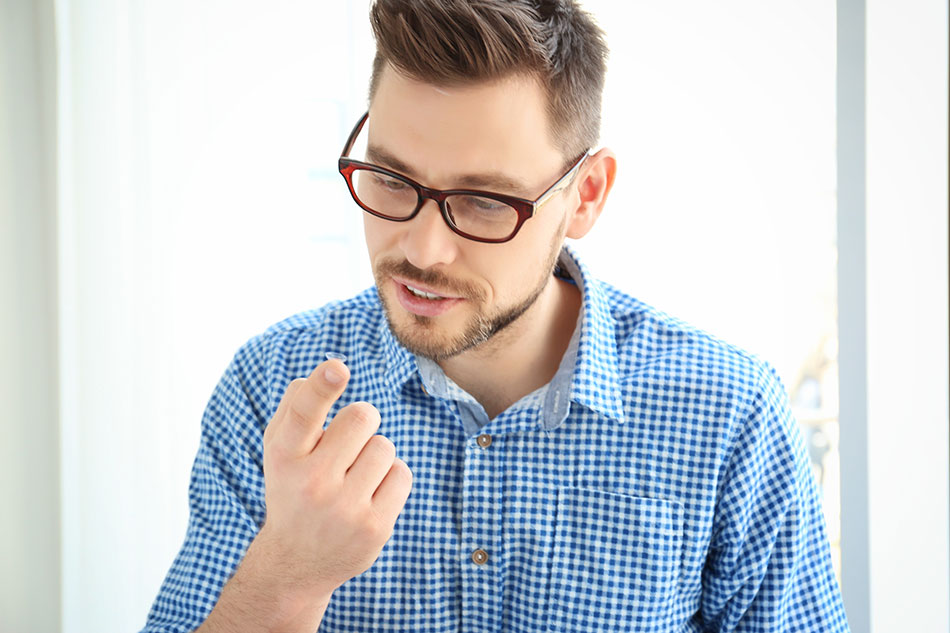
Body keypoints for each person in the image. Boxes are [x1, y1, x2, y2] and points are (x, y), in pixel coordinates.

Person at [141, 1, 850, 631]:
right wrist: (287, 573)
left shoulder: (728, 413)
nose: (421, 248)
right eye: (391, 180)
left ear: (587, 195)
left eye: (483, 201)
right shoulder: (273, 389)